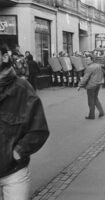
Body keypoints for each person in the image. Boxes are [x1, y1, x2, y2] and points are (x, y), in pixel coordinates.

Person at [0, 47, 49, 200]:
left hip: (13, 172)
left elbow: (39, 128)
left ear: (4, 57)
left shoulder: (22, 88)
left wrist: (18, 151)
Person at [78, 54, 105, 119]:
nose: (86, 61)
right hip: (98, 84)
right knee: (95, 99)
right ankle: (101, 112)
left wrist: (80, 85)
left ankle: (91, 115)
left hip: (91, 85)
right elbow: (101, 74)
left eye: (88, 60)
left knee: (91, 101)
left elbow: (85, 77)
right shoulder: (98, 66)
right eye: (86, 60)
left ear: (92, 60)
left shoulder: (89, 67)